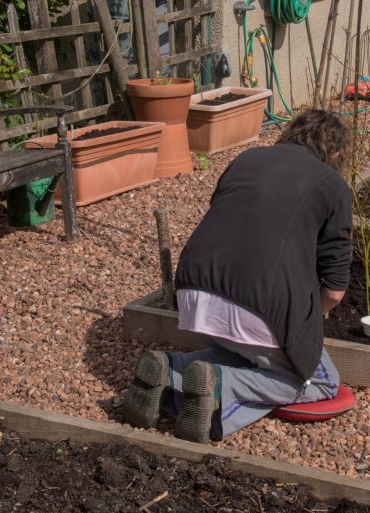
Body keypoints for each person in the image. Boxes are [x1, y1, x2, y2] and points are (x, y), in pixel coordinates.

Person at [122, 109, 353, 443]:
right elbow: (333, 292)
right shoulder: (333, 186)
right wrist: (306, 323)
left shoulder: (247, 159)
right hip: (257, 305)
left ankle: (170, 367)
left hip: (194, 292)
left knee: (241, 354)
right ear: (335, 153)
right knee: (320, 382)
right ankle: (219, 384)